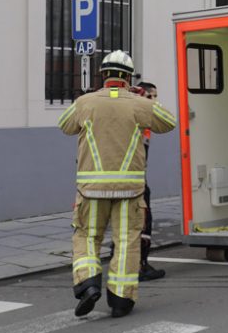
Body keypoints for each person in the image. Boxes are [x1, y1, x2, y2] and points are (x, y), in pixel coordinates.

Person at [58, 51, 176, 318]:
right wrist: (141, 99)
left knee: (87, 236)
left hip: (90, 190)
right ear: (128, 77)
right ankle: (121, 300)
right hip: (129, 190)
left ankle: (88, 284)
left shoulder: (84, 103)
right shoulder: (139, 104)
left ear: (103, 74)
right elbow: (169, 122)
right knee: (126, 241)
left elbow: (64, 125)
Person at [134, 81, 166, 282]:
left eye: (155, 97)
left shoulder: (144, 120)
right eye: (149, 97)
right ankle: (141, 265)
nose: (153, 101)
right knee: (143, 223)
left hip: (137, 177)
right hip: (134, 180)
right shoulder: (136, 117)